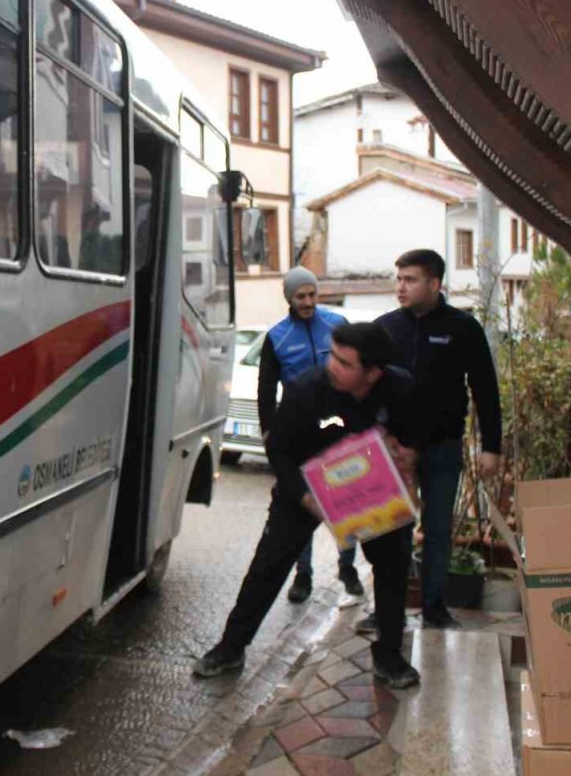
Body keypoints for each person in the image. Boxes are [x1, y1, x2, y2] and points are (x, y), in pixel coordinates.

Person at [193, 323, 422, 688]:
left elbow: (416, 436)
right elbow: (279, 453)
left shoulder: (401, 388)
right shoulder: (307, 390)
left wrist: (409, 455)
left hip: (369, 489)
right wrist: (306, 499)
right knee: (270, 563)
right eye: (332, 355)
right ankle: (231, 646)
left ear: (373, 373)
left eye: (345, 362)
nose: (332, 365)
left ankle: (390, 656)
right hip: (304, 487)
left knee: (393, 565)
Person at [369, 249, 501, 631]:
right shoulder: (385, 328)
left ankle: (434, 607)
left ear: (434, 283)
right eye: (398, 279)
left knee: (439, 529)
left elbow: (485, 390)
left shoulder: (463, 328)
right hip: (395, 450)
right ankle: (387, 609)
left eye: (410, 279)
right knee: (390, 531)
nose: (401, 287)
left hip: (443, 447)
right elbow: (368, 388)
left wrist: (491, 446)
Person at [258, 267, 358, 603]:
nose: (308, 302)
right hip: (301, 429)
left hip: (340, 426)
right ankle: (303, 575)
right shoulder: (277, 337)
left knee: (347, 498)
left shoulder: (336, 325)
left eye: (312, 295)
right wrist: (270, 431)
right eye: (301, 296)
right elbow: (266, 388)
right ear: (290, 298)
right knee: (304, 503)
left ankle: (347, 566)